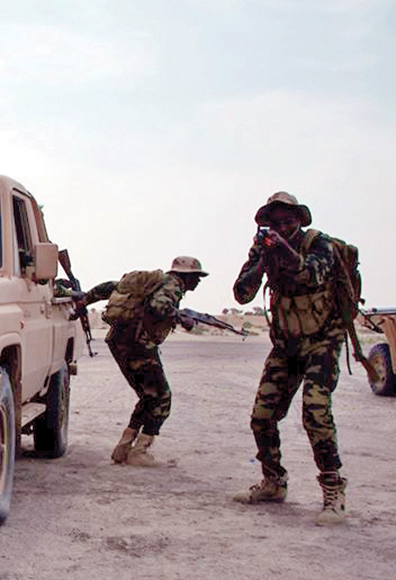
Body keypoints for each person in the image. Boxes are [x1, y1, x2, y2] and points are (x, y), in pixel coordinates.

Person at [232, 191, 349, 525]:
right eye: (276, 223)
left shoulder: (318, 244)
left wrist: (283, 251)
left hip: (322, 342)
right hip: (286, 345)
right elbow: (242, 293)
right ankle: (273, 481)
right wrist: (263, 261)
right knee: (261, 416)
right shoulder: (262, 247)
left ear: (299, 220)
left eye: (289, 221)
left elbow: (311, 276)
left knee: (316, 413)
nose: (283, 227)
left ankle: (333, 489)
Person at [78, 257, 208, 466]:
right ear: (187, 275)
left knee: (148, 396)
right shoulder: (173, 285)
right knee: (162, 397)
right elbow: (159, 306)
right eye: (197, 277)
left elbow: (110, 287)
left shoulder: (151, 282)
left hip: (119, 340)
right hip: (137, 345)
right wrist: (182, 319)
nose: (199, 282)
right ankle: (140, 451)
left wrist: (84, 301)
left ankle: (123, 449)